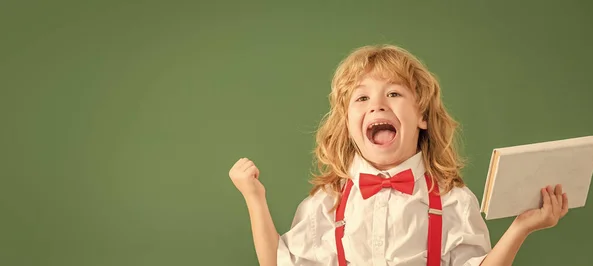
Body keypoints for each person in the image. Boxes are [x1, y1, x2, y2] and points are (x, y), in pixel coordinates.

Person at [228, 44, 569, 266]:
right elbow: (277, 263)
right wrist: (255, 198)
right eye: (361, 99)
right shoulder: (326, 204)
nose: (377, 103)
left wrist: (520, 229)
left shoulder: (455, 202)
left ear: (422, 117)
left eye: (393, 93)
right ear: (348, 126)